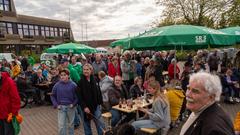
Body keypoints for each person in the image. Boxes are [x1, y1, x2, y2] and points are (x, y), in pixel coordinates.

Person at [76, 63, 104, 135]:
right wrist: (84, 107)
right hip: (85, 108)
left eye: (87, 69)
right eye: (84, 70)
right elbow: (79, 97)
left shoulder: (95, 79)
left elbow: (99, 92)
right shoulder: (80, 82)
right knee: (86, 125)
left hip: (95, 106)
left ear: (91, 70)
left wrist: (100, 103)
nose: (85, 71)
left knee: (100, 124)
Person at [51, 69, 78, 135]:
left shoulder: (73, 85)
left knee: (71, 125)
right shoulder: (57, 85)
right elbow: (52, 95)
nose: (62, 77)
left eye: (64, 75)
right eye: (61, 75)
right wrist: (56, 105)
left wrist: (74, 104)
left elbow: (77, 96)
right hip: (61, 108)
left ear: (68, 76)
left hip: (70, 107)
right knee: (61, 126)